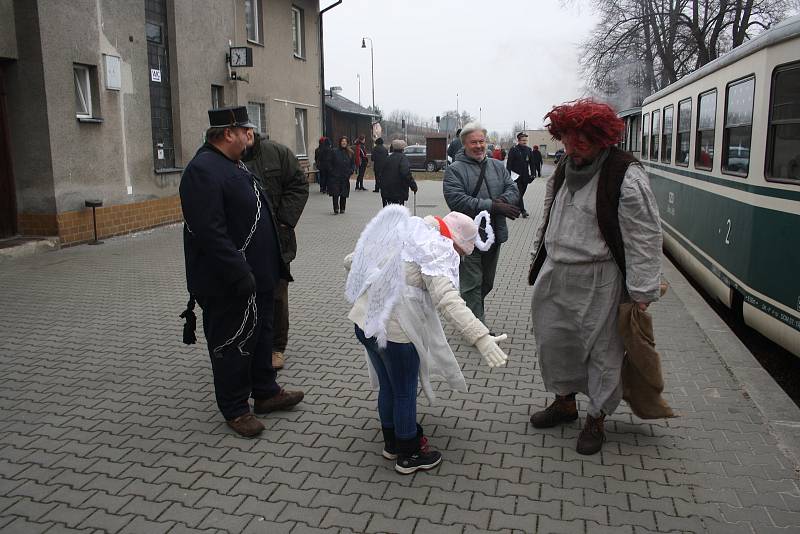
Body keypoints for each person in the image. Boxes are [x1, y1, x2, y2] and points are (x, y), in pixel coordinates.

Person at [528, 99, 663, 455]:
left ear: (602, 137)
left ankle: (597, 417)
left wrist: (641, 289)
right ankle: (564, 403)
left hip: (599, 278)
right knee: (555, 344)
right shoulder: (563, 168)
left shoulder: (625, 173)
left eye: (584, 138)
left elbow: (645, 235)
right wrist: (536, 261)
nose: (575, 146)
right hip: (556, 273)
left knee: (602, 352)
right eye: (569, 138)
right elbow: (546, 219)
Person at [345, 205, 509, 474]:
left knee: (388, 386)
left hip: (365, 323)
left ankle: (392, 443)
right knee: (404, 391)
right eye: (461, 252)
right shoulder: (437, 249)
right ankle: (408, 453)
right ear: (455, 242)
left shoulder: (406, 230)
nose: (459, 258)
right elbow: (448, 300)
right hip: (396, 334)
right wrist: (481, 337)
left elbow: (352, 260)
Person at [179, 106, 303, 438]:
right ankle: (235, 408)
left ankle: (265, 392)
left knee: (262, 336)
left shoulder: (233, 163)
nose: (250, 136)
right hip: (228, 282)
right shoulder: (202, 170)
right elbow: (209, 232)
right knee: (232, 343)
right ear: (228, 133)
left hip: (258, 277)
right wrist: (238, 272)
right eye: (245, 130)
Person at [243, 132, 309, 371]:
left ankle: (276, 348)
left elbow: (299, 184)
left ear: (250, 132)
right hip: (242, 243)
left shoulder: (277, 153)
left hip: (277, 241)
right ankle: (249, 343)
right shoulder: (227, 157)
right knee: (244, 294)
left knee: (277, 294)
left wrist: (284, 220)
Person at [443, 122, 520, 323]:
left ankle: (468, 312)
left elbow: (513, 189)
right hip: (467, 236)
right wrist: (493, 206)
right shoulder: (454, 170)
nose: (478, 146)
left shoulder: (496, 165)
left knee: (487, 282)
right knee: (471, 284)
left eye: (481, 141)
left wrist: (502, 202)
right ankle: (478, 328)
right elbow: (457, 201)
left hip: (495, 234)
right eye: (473, 142)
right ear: (464, 145)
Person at [379, 140, 418, 206]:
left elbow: (381, 173)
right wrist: (413, 186)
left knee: (388, 212)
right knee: (398, 213)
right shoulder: (403, 159)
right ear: (403, 149)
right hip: (398, 192)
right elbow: (405, 173)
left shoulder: (387, 158)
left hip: (386, 191)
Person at [506, 132, 535, 218]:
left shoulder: (529, 150)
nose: (525, 142)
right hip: (515, 176)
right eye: (523, 140)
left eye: (526, 140)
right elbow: (509, 164)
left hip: (525, 177)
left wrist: (533, 174)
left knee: (521, 194)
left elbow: (532, 163)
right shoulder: (513, 149)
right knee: (518, 194)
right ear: (518, 141)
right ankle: (523, 211)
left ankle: (514, 207)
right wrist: (508, 175)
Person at [328, 136, 354, 214]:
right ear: (340, 142)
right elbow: (329, 163)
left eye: (345, 141)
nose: (344, 142)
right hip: (335, 176)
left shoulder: (350, 153)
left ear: (347, 143)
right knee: (335, 193)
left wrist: (351, 171)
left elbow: (353, 164)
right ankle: (336, 208)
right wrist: (332, 171)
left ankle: (342, 208)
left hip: (345, 176)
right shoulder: (334, 151)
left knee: (344, 193)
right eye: (342, 141)